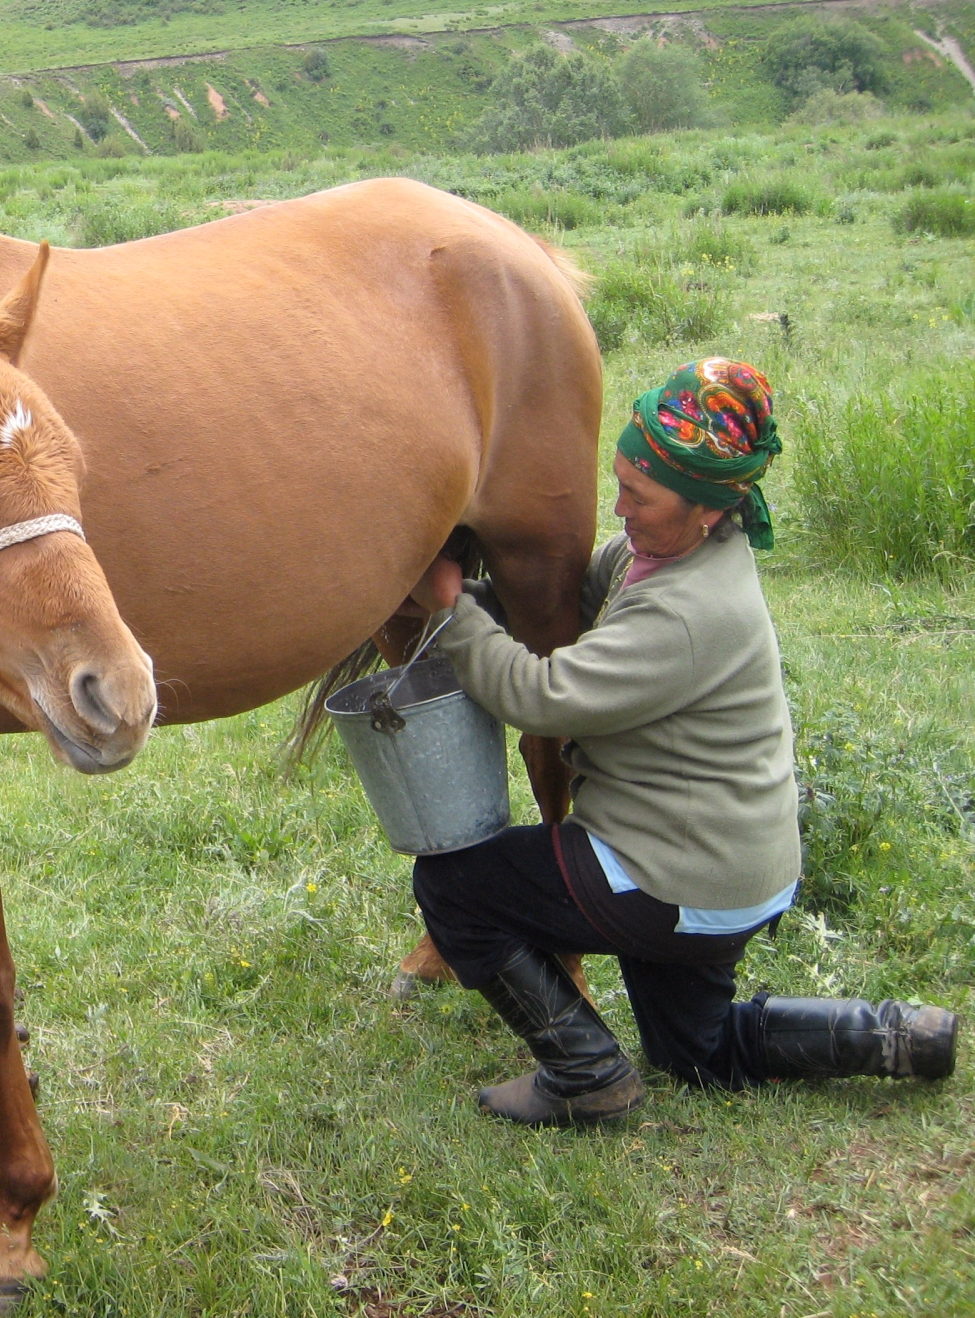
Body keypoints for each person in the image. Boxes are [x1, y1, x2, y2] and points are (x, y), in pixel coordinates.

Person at [407, 358, 958, 1127]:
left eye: (641, 496)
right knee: (698, 1055)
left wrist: (450, 611)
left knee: (454, 884)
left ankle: (583, 1075)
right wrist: (480, 596)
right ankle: (897, 1035)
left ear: (707, 507)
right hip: (729, 869)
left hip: (674, 875)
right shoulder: (667, 556)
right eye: (620, 483)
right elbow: (566, 608)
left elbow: (540, 696)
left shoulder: (686, 613)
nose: (620, 508)